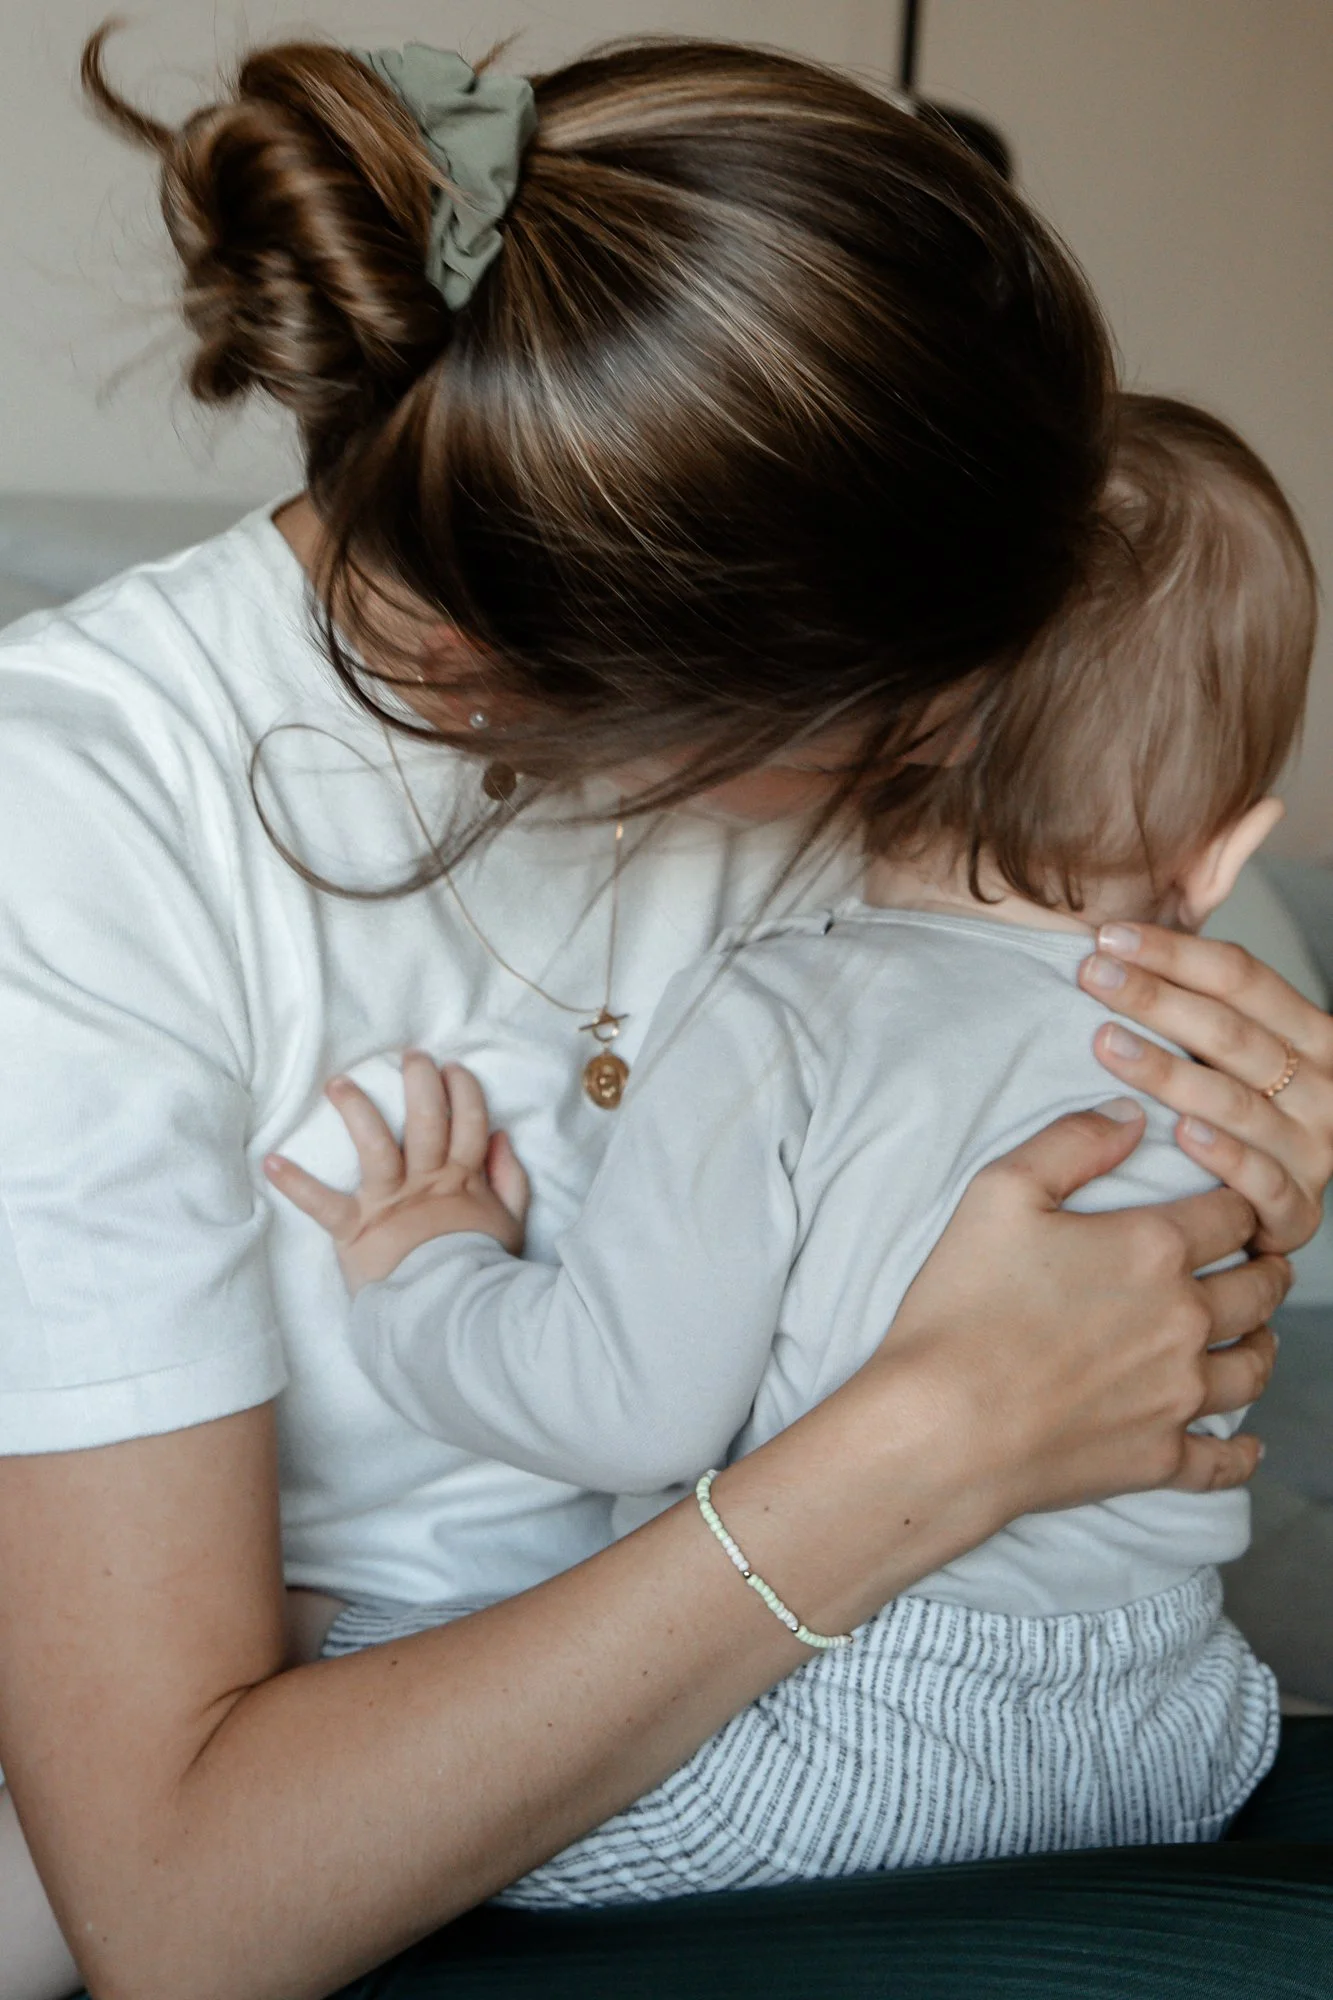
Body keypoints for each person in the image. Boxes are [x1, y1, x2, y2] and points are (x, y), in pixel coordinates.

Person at [0, 28, 1326, 2000]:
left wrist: (1234, 1200)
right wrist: (939, 1436)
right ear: (526, 689)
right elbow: (190, 1909)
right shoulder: (84, 827)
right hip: (408, 1826)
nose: (963, 747)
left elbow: (1114, 1311)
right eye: (917, 710)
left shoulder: (857, 737)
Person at [254, 392, 1313, 1903]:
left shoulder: (789, 1013)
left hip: (850, 1737)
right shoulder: (1227, 1060)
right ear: (1226, 849)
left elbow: (627, 1411)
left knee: (343, 1749)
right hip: (1176, 1722)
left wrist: (423, 1272)